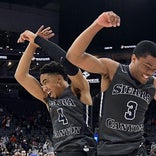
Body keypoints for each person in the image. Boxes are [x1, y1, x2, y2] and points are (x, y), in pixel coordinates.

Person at [66, 11, 156, 156]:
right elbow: (73, 57)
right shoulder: (113, 70)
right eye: (147, 66)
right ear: (133, 58)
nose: (150, 72)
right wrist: (97, 25)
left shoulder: (153, 84)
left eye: (154, 69)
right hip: (109, 149)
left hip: (137, 150)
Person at [15, 26, 97, 156]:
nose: (43, 88)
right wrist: (32, 45)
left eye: (45, 82)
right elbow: (21, 76)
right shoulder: (48, 100)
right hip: (60, 151)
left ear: (59, 79)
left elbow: (66, 61)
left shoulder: (79, 88)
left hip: (82, 149)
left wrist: (37, 38)